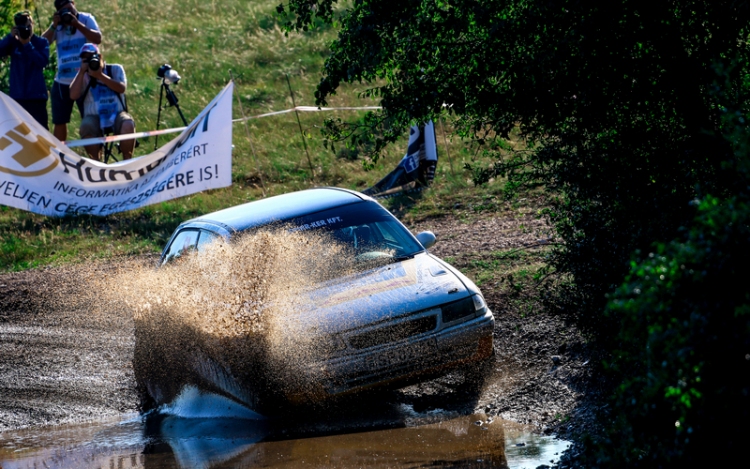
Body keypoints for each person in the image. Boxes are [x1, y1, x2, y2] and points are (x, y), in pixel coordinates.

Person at [41, 0, 101, 142]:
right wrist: (54, 26)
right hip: (62, 80)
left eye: (69, 8)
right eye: (64, 11)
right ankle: (61, 156)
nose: (68, 12)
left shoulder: (86, 19)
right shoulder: (59, 26)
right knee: (59, 121)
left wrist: (77, 24)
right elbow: (42, 43)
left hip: (85, 79)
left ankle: (96, 158)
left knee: (90, 120)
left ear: (74, 3)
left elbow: (97, 39)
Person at [69, 43, 135, 160]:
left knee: (128, 124)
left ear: (100, 56)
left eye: (92, 57)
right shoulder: (82, 76)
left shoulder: (115, 69)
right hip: (94, 116)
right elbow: (73, 95)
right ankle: (97, 165)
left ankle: (127, 161)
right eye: (86, 58)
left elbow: (121, 88)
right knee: (86, 126)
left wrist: (100, 75)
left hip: (116, 113)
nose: (90, 61)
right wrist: (81, 72)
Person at [0, 11, 50, 128]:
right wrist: (9, 37)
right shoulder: (13, 43)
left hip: (36, 96)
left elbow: (42, 61)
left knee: (40, 130)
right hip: (17, 97)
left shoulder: (41, 42)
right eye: (23, 27)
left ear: (33, 24)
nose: (27, 29)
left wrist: (27, 44)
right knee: (20, 131)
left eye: (28, 26)